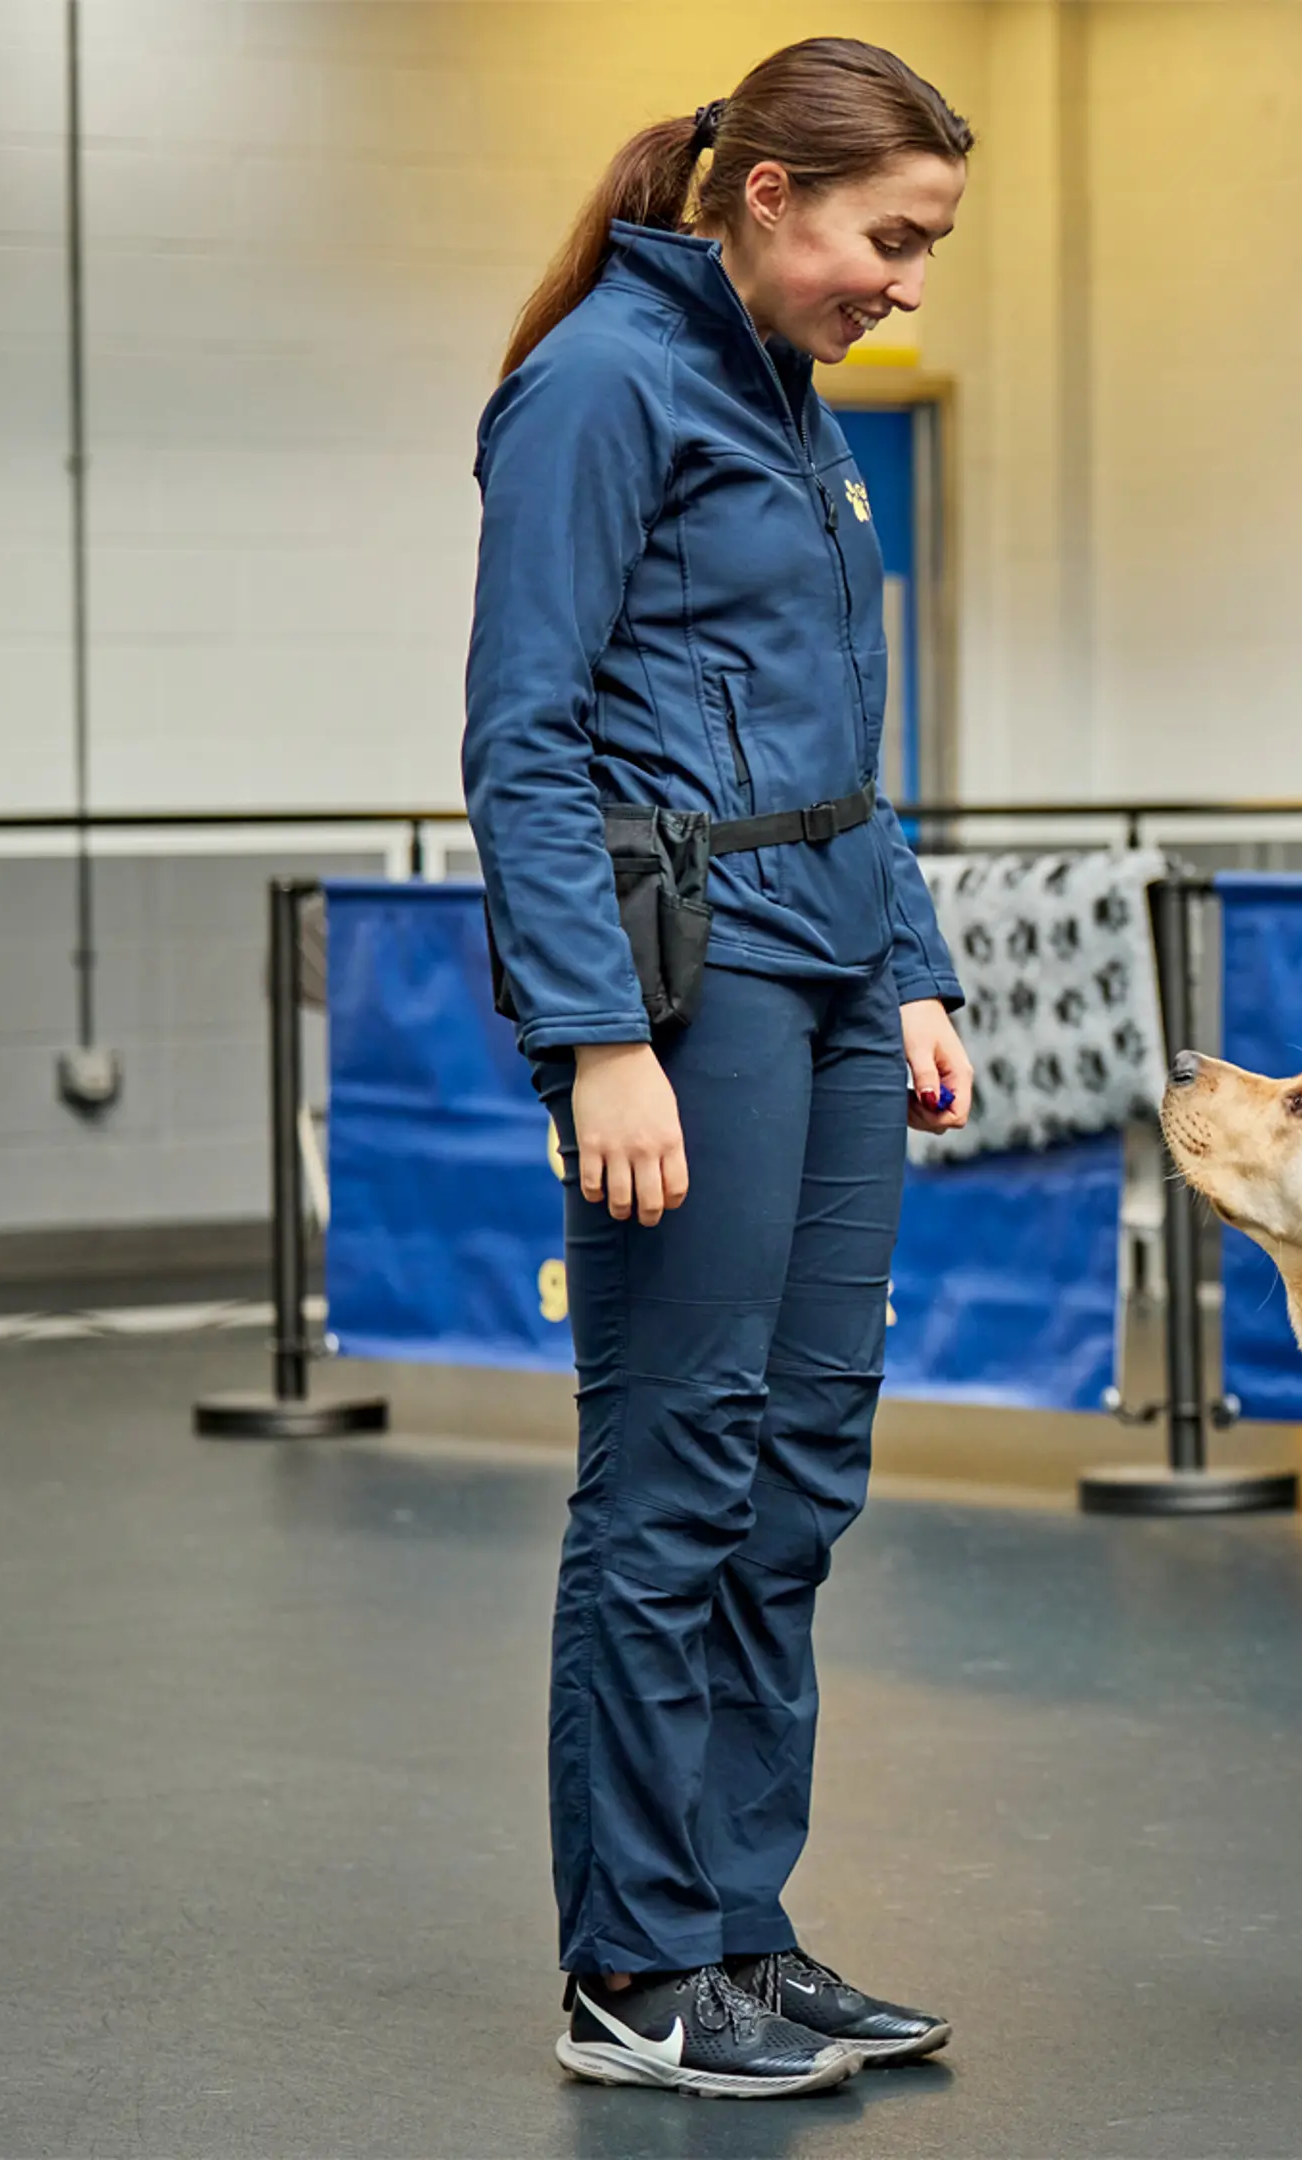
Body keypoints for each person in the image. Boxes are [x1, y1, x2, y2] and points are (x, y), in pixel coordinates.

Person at [464, 37, 978, 2102]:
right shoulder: (598, 384)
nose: (909, 284)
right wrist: (599, 1039)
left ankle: (741, 1938)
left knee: (800, 1467)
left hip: (841, 963)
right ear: (766, 196)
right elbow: (525, 738)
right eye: (891, 238)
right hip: (689, 987)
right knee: (674, 1474)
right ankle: (633, 1973)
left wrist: (917, 958)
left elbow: (838, 716)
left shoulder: (787, 396)